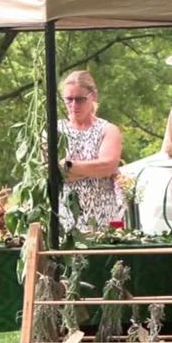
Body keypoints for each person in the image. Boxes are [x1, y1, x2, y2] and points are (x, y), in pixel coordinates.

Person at [57, 70, 124, 231]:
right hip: (64, 219)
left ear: (93, 96)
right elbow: (51, 172)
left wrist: (68, 166)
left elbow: (108, 165)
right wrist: (95, 169)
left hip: (103, 218)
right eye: (69, 99)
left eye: (80, 99)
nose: (74, 105)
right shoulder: (54, 131)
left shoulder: (108, 130)